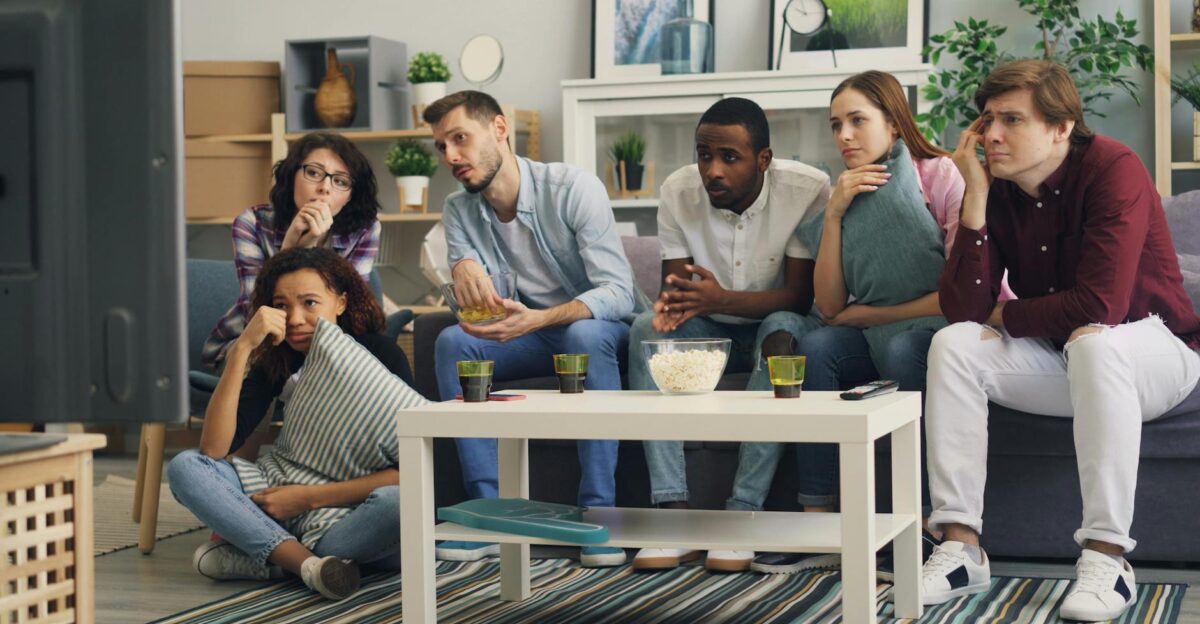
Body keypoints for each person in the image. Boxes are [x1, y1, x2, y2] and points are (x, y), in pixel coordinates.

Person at [920, 59, 1200, 622]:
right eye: (987, 119)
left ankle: (1107, 559)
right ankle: (960, 546)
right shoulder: (997, 190)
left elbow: (1101, 306)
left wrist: (1009, 313)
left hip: (1156, 352)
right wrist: (974, 198)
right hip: (1066, 359)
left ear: (1061, 127)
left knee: (1095, 341)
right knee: (952, 345)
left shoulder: (1113, 167)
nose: (992, 135)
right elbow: (965, 312)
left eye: (1012, 120)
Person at [750, 70, 991, 576]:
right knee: (815, 347)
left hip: (937, 330)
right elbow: (832, 304)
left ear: (895, 124)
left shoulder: (940, 176)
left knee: (906, 350)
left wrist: (874, 314)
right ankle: (819, 523)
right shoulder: (841, 193)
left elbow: (963, 297)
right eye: (836, 124)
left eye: (858, 121)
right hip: (866, 331)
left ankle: (922, 527)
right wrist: (835, 214)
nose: (844, 136)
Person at [425, 90, 641, 568]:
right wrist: (458, 267)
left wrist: (541, 317)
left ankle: (598, 514)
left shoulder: (573, 189)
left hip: (593, 329)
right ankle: (486, 515)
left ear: (500, 129)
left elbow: (620, 294)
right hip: (527, 336)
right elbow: (472, 295)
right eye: (441, 146)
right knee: (452, 343)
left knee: (582, 338)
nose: (451, 156)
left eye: (460, 138)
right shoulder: (460, 209)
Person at [628, 97, 830, 573]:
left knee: (783, 333)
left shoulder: (808, 189)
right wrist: (674, 310)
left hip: (776, 321)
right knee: (643, 331)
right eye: (703, 155)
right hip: (709, 330)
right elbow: (677, 297)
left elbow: (798, 298)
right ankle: (672, 514)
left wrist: (717, 299)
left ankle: (742, 514)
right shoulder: (678, 191)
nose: (711, 170)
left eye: (729, 158)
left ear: (764, 160)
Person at [169, 247, 418, 601]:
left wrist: (307, 499)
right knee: (186, 467)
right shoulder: (277, 357)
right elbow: (214, 449)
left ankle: (271, 558)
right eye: (282, 305)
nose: (295, 318)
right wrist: (242, 348)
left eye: (310, 303)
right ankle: (310, 567)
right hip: (276, 492)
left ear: (341, 303)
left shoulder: (379, 354)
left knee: (398, 505)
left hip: (342, 513)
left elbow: (408, 472)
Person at [202, 132, 382, 370]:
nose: (324, 189)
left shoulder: (365, 229)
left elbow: (351, 311)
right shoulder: (252, 222)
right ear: (291, 176)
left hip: (329, 344)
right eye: (314, 173)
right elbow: (259, 309)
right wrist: (292, 250)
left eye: (340, 181)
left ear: (350, 196)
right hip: (257, 342)